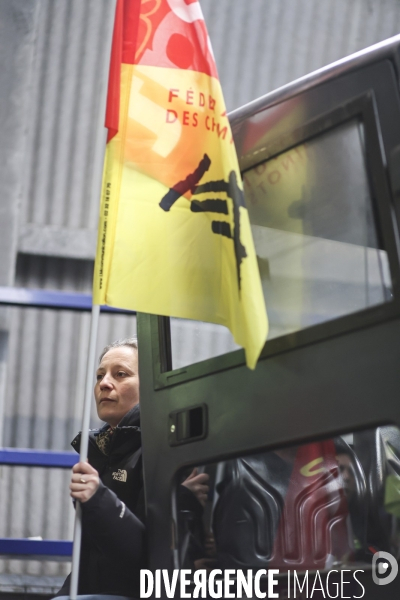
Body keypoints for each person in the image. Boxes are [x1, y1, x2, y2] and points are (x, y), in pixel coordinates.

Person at [57, 338, 209, 598]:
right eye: (99, 375)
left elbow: (149, 562)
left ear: (151, 387)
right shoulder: (100, 453)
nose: (104, 383)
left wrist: (99, 499)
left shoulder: (167, 451)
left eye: (121, 374)